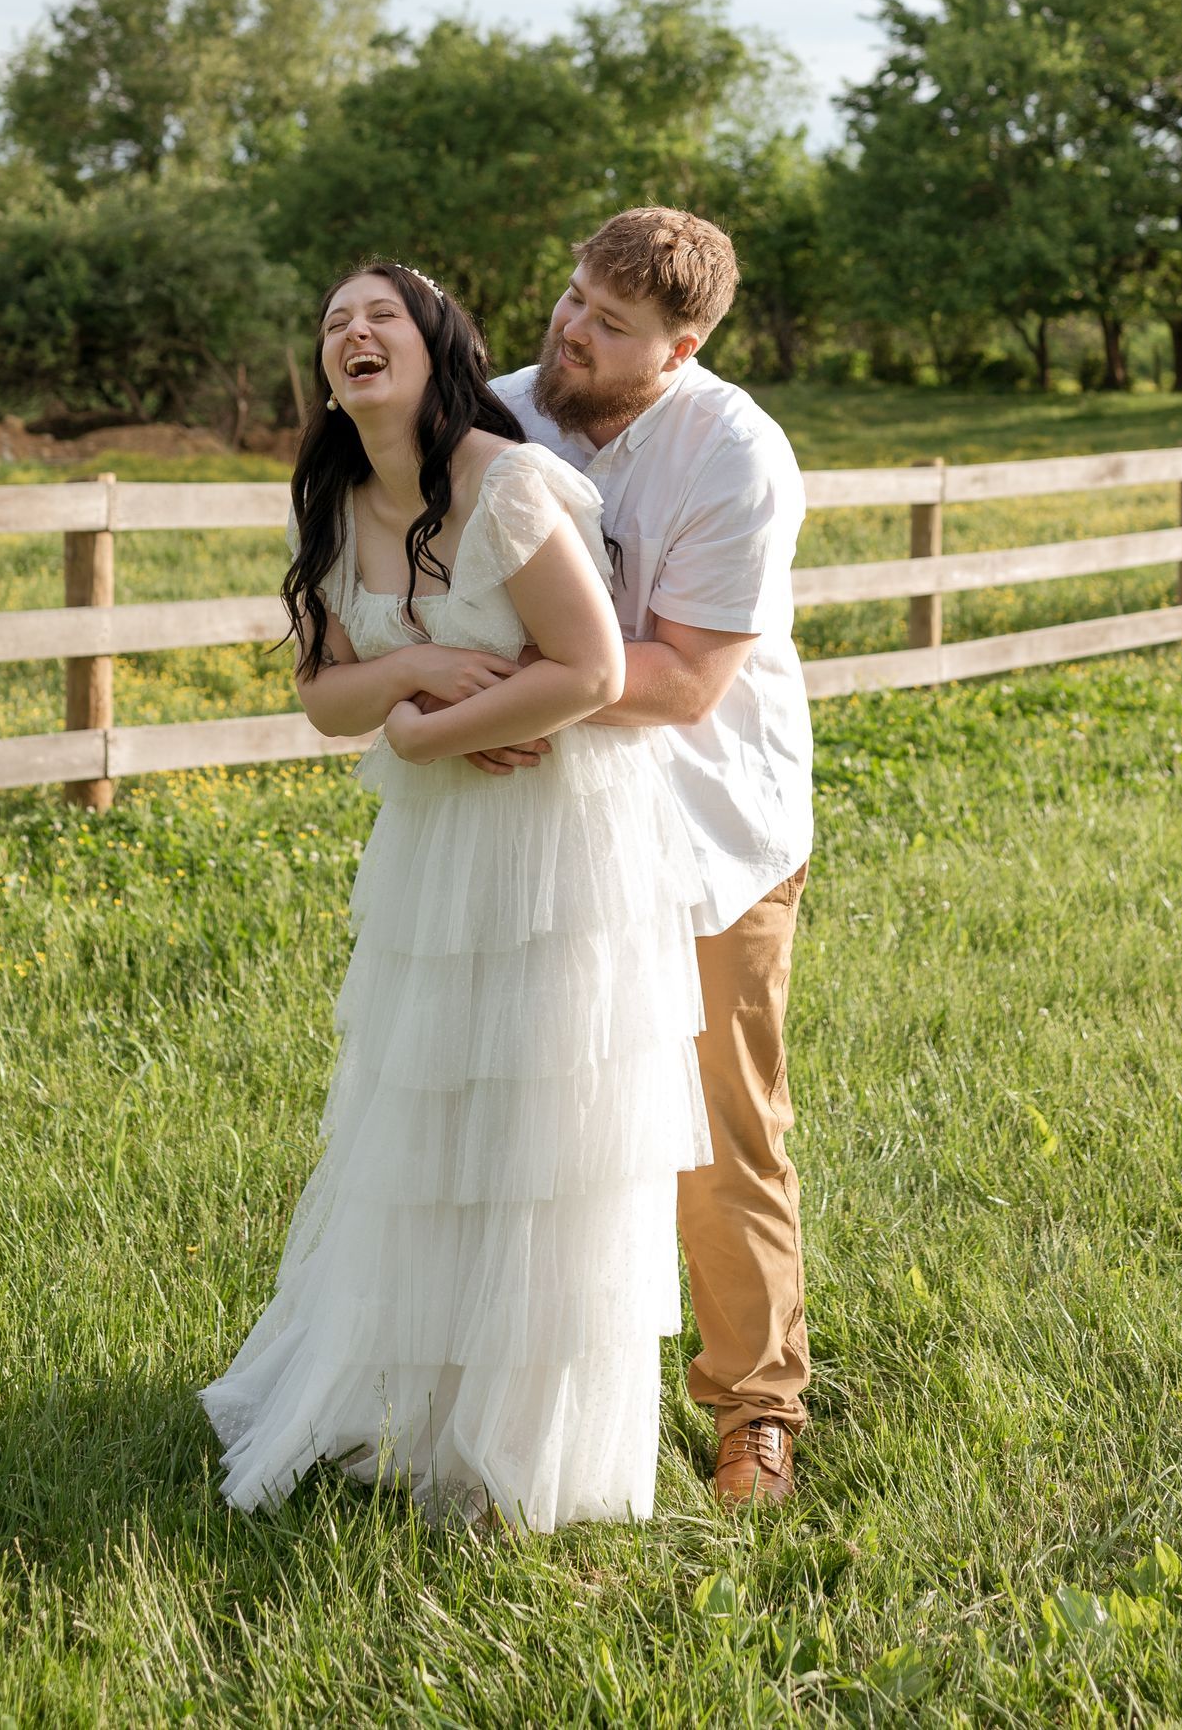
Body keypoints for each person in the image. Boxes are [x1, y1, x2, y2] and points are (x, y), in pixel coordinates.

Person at [201, 261, 710, 1532]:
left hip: (558, 839)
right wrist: (421, 667)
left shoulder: (511, 482)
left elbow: (591, 669)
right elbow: (325, 698)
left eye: (382, 315)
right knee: (427, 1128)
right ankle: (421, 1410)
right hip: (435, 851)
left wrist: (432, 730)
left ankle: (521, 1454)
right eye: (332, 322)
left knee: (544, 1132)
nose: (353, 333)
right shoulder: (324, 501)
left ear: (439, 351)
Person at [490, 207, 813, 1509]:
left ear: (678, 349)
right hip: (547, 822)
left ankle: (757, 1405)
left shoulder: (736, 452)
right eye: (571, 298)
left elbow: (682, 683)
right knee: (533, 1112)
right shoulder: (502, 413)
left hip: (705, 828)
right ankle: (533, 1387)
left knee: (720, 1130)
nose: (572, 329)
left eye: (609, 325)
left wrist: (506, 689)